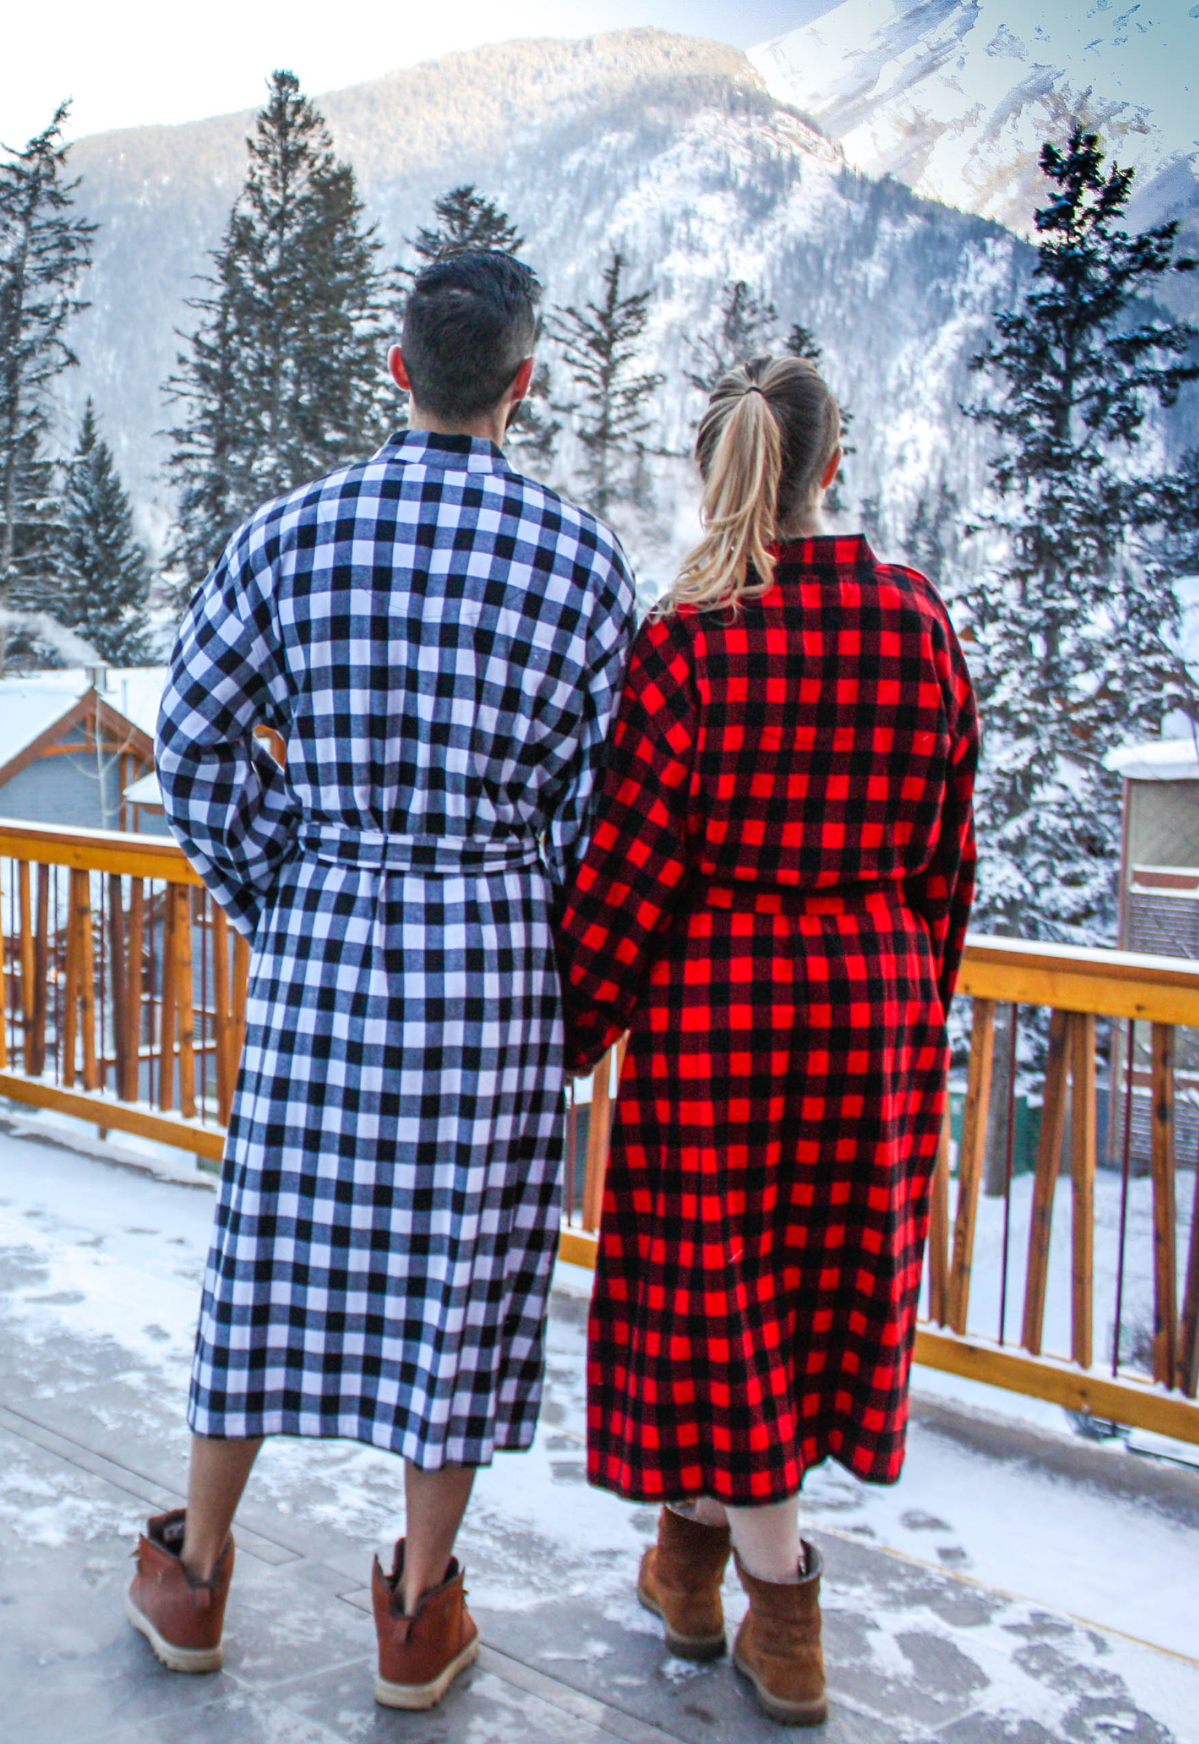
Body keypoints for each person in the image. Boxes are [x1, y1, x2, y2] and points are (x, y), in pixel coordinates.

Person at [126, 250, 635, 1709]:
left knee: (270, 1255)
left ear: (401, 371)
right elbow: (607, 806)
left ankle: (197, 1580)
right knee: (462, 1287)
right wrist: (537, 917)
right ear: (522, 385)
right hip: (489, 964)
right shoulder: (582, 562)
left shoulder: (292, 535)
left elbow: (196, 741)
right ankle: (417, 1613)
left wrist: (285, 880)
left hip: (331, 946)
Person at [554, 355, 977, 1727]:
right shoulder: (917, 624)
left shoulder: (690, 642)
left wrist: (566, 1027)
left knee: (720, 1290)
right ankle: (686, 1567)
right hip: (875, 1002)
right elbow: (949, 856)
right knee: (803, 1294)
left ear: (716, 470)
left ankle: (782, 1612)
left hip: (725, 1003)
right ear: (831, 469)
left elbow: (627, 865)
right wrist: (915, 1001)